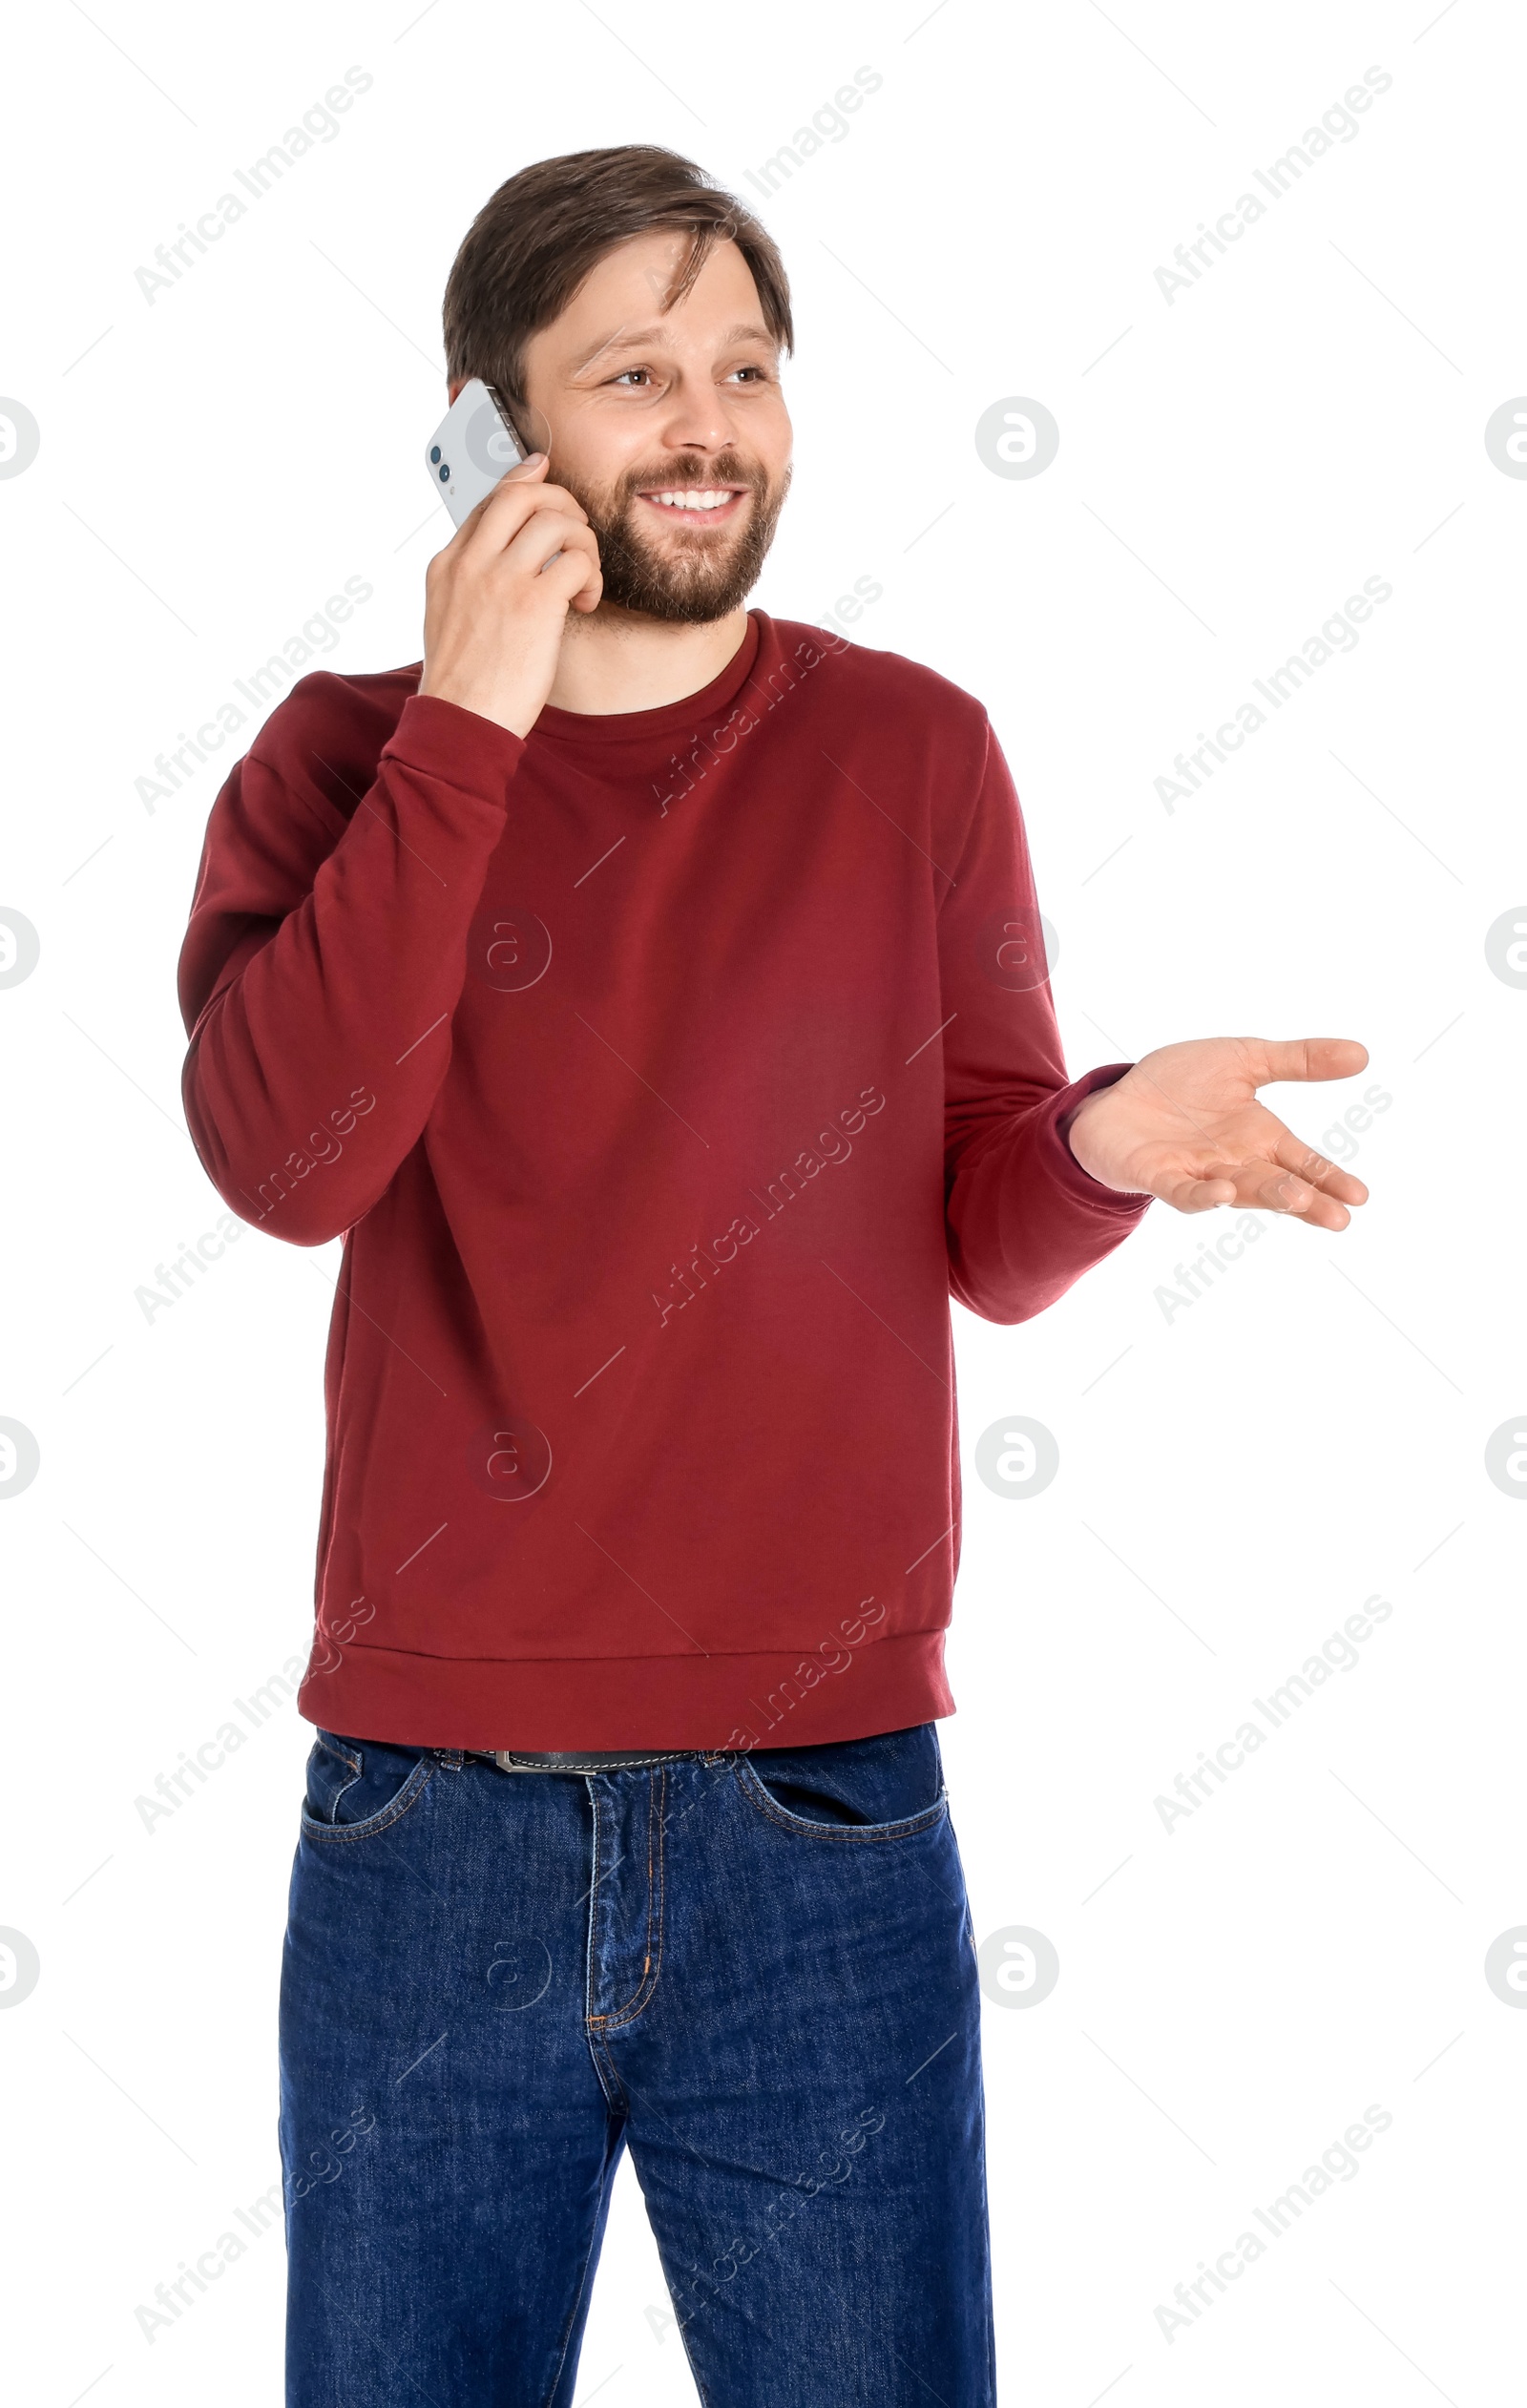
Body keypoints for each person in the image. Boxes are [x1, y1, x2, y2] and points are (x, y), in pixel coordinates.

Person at [176, 143, 1369, 2408]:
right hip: (432, 1817)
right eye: (631, 372)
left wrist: (1098, 1136)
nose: (705, 418)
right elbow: (289, 1160)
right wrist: (472, 714)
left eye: (742, 364)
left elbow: (983, 1230)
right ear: (486, 430)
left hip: (820, 1815)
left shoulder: (908, 751)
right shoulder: (344, 761)